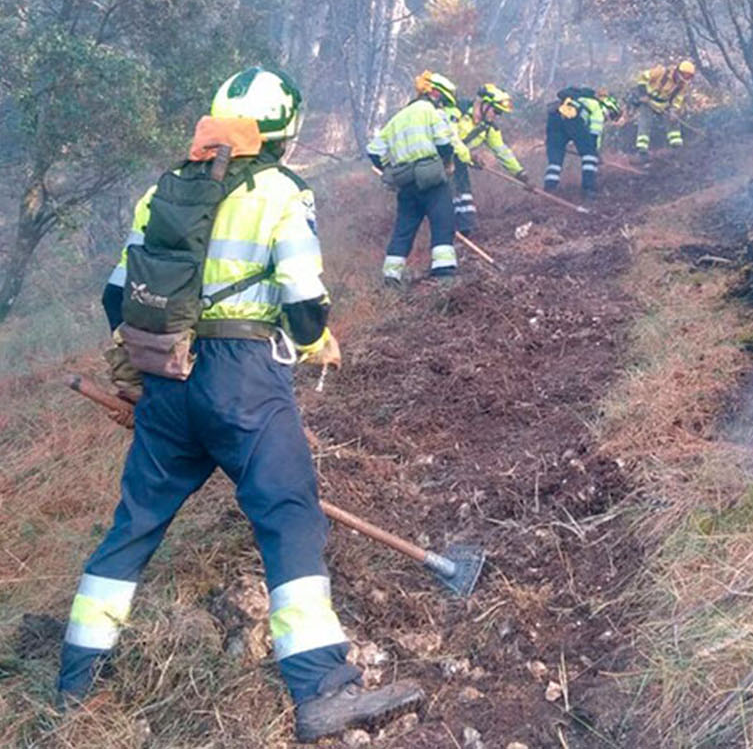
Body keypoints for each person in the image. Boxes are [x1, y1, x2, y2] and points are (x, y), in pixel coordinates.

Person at [60, 66, 424, 741]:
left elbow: (117, 298)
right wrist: (317, 344)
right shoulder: (281, 191)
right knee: (288, 516)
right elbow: (304, 303)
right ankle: (321, 688)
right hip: (243, 379)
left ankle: (75, 687)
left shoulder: (162, 189)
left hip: (165, 377)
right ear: (284, 135)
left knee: (132, 527)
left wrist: (146, 373)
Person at [368, 71, 459, 285]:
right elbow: (444, 144)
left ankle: (391, 276)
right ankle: (443, 272)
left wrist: (388, 171)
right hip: (432, 179)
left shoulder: (398, 118)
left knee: (404, 228)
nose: (443, 105)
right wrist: (447, 165)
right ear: (435, 93)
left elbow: (373, 151)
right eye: (443, 100)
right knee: (442, 220)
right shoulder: (430, 112)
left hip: (406, 182)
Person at [448, 83, 527, 235]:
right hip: (438, 157)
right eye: (496, 111)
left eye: (500, 113)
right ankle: (446, 227)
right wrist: (470, 157)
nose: (496, 116)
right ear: (484, 104)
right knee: (445, 193)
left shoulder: (488, 128)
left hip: (459, 160)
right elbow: (450, 138)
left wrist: (520, 174)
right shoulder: (457, 111)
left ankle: (465, 229)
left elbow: (502, 151)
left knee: (463, 191)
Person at [542, 86, 621, 201]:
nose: (607, 118)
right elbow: (594, 134)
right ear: (608, 107)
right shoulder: (596, 106)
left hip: (555, 118)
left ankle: (550, 188)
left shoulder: (577, 100)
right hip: (573, 119)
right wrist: (595, 153)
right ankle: (589, 189)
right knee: (589, 155)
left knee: (555, 159)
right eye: (610, 115)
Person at [631, 59, 695, 155]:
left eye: (687, 77)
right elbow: (642, 77)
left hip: (664, 105)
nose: (682, 80)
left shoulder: (682, 85)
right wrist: (642, 93)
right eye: (683, 76)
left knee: (673, 122)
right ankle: (642, 148)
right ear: (678, 72)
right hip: (648, 101)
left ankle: (676, 146)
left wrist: (674, 110)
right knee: (645, 121)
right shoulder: (661, 72)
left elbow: (678, 98)